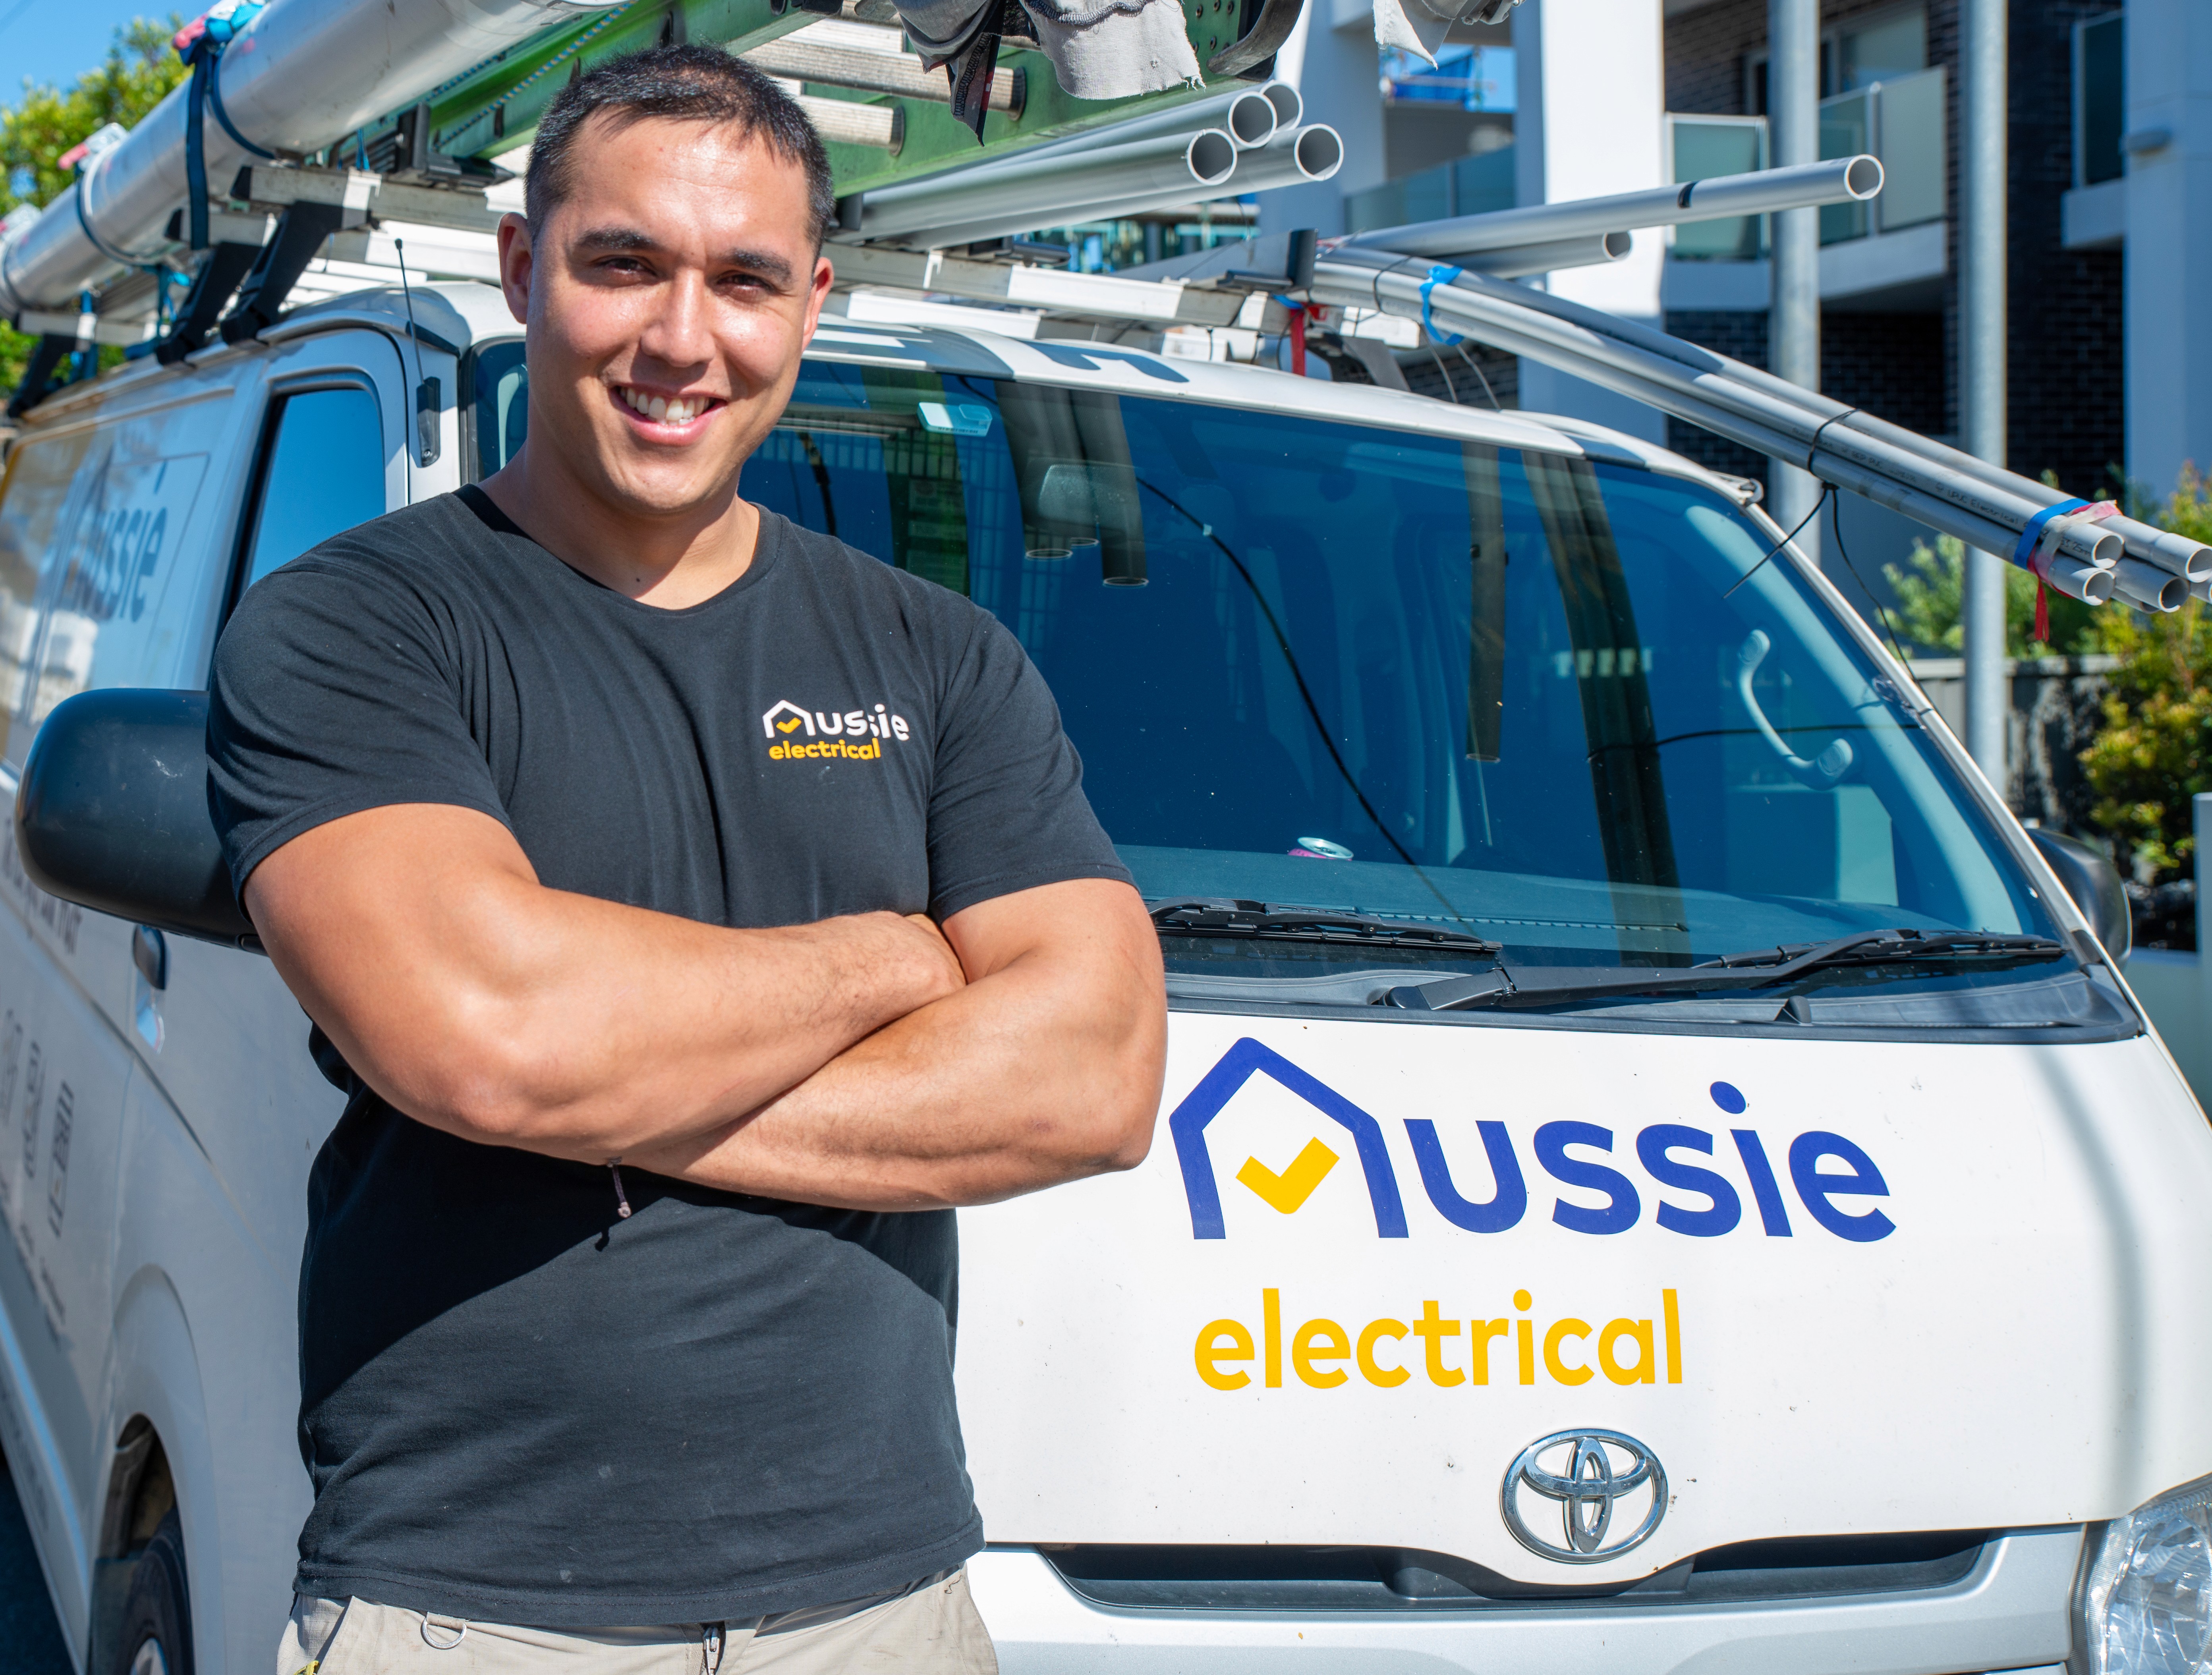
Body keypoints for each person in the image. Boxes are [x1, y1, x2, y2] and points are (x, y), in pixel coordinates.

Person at [207, 44, 1167, 1675]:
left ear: (811, 299)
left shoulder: (940, 656)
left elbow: (1094, 1075)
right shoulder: (355, 624)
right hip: (474, 1606)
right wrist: (896, 957)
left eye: (742, 279)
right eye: (623, 264)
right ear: (522, 269)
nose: (681, 337)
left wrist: (606, 1072)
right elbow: (490, 1039)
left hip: (887, 1604)